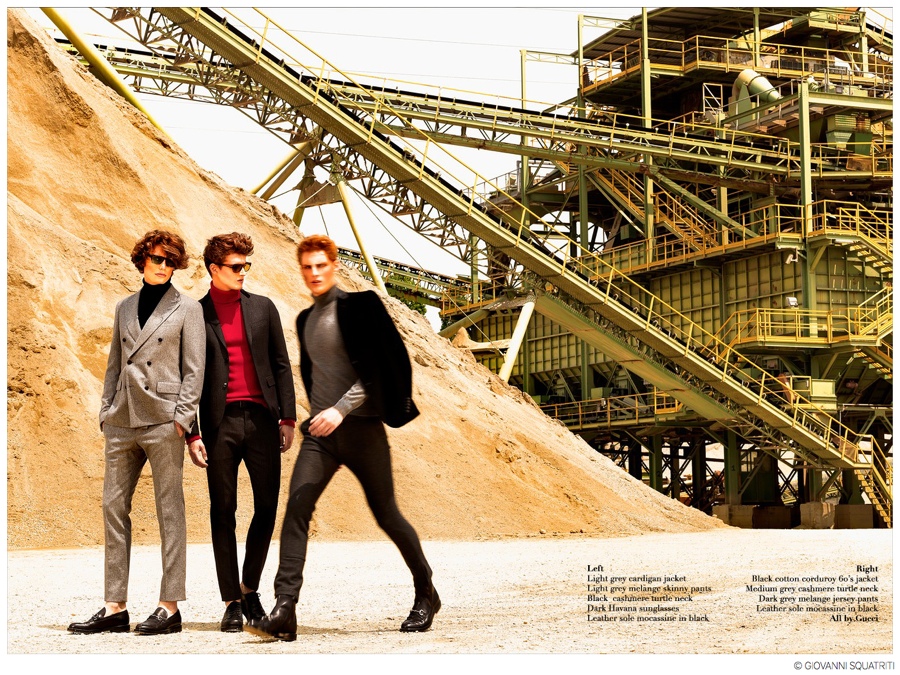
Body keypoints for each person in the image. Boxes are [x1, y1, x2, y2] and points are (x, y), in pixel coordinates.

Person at [248, 234, 438, 642]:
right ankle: (285, 609)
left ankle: (426, 591)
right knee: (297, 509)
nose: (314, 273)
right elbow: (317, 377)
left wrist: (340, 409)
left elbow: (383, 367)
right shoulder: (305, 320)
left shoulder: (362, 306)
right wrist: (317, 416)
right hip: (322, 437)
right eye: (307, 267)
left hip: (363, 430)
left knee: (387, 514)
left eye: (321, 265)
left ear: (334, 266)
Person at [68, 230, 205, 636]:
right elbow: (115, 363)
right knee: (112, 507)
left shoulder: (188, 308)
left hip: (164, 419)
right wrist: (105, 411)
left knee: (169, 510)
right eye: (157, 258)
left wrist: (183, 419)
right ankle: (115, 606)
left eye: (170, 261)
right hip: (122, 420)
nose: (163, 266)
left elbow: (194, 370)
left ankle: (169, 606)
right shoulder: (124, 307)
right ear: (142, 260)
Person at [186, 232, 296, 632]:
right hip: (220, 424)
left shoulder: (263, 308)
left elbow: (281, 364)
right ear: (214, 269)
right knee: (222, 511)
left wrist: (288, 418)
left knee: (267, 506)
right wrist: (192, 433)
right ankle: (231, 600)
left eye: (246, 265)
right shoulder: (194, 314)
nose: (243, 272)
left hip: (264, 420)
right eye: (236, 266)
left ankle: (250, 588)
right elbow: (188, 376)